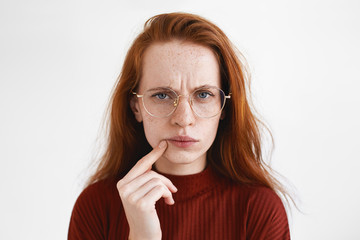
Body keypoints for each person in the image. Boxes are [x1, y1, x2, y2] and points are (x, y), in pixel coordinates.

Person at [68, 12, 291, 240]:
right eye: (163, 95)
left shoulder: (259, 209)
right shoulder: (95, 206)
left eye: (203, 94)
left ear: (223, 107)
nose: (184, 119)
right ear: (136, 107)